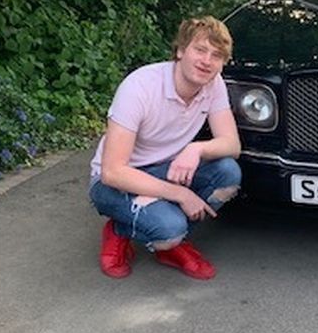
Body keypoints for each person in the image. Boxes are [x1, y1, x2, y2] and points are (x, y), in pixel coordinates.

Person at [88, 16, 241, 280]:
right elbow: (112, 172)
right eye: (200, 50)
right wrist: (181, 195)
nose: (207, 61)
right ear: (181, 51)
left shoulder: (213, 85)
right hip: (114, 182)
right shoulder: (140, 87)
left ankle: (170, 245)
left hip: (163, 170)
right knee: (170, 225)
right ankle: (120, 230)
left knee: (228, 172)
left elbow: (232, 145)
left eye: (216, 55)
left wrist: (195, 149)